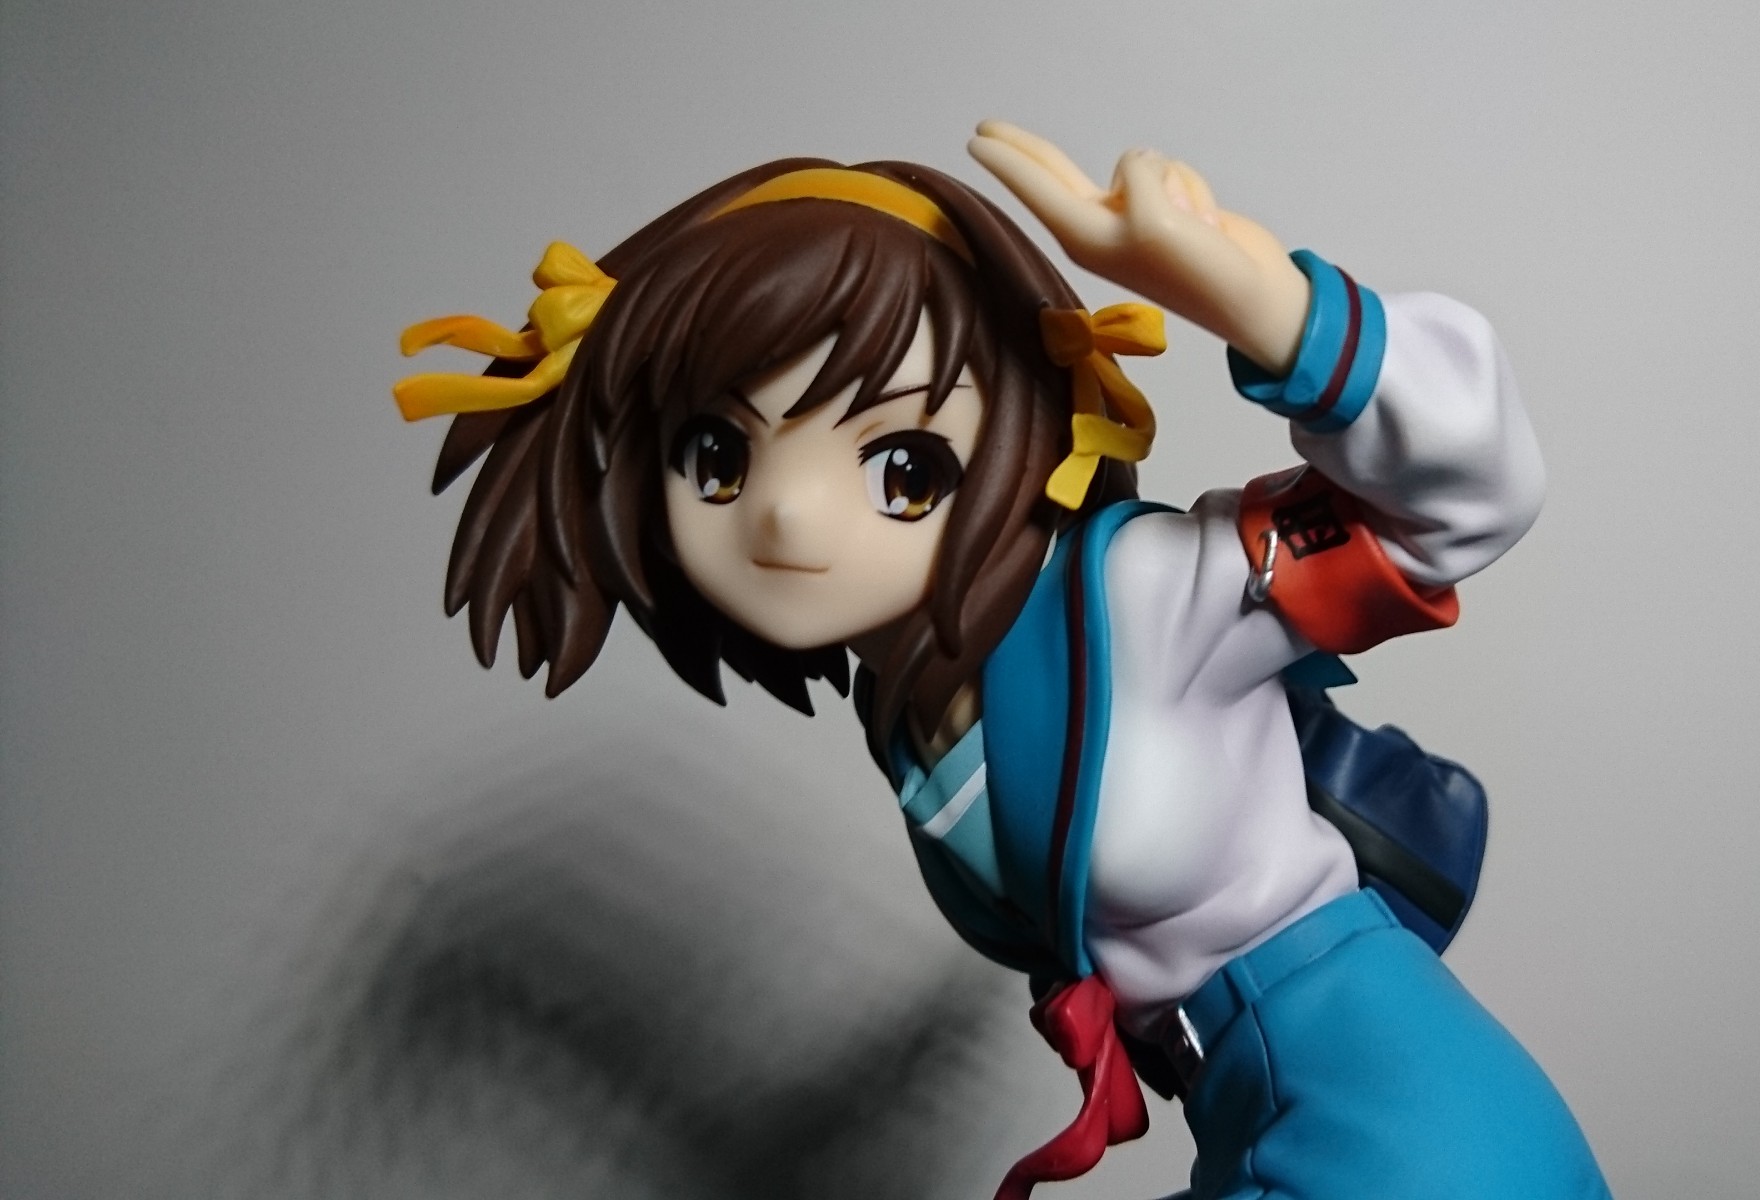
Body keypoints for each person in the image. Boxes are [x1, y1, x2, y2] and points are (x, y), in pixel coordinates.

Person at [393, 120, 1610, 1200]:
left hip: (1406, 1121)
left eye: (901, 466)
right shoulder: (904, 703)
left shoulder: (1139, 599)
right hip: (1251, 1112)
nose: (785, 518)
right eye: (720, 456)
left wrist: (1277, 313)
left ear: (1024, 433)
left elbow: (1465, 501)